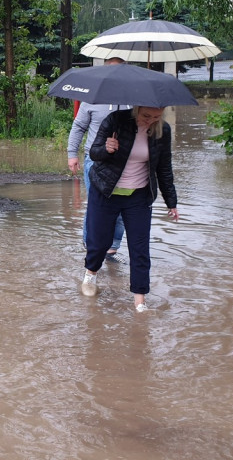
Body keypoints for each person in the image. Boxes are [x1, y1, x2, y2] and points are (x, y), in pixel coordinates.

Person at [81, 105, 180, 313]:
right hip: (106, 190)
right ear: (137, 108)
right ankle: (90, 274)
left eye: (157, 116)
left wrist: (171, 201)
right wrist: (106, 149)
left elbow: (164, 168)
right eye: (146, 116)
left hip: (138, 195)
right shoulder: (115, 119)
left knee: (140, 248)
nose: (151, 120)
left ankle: (140, 301)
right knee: (100, 242)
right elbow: (94, 153)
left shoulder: (163, 130)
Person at [67, 57, 128, 257]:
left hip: (124, 163)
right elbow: (78, 127)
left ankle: (113, 247)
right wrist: (71, 154)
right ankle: (89, 243)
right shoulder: (91, 99)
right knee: (95, 205)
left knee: (120, 207)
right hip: (94, 161)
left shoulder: (133, 101)